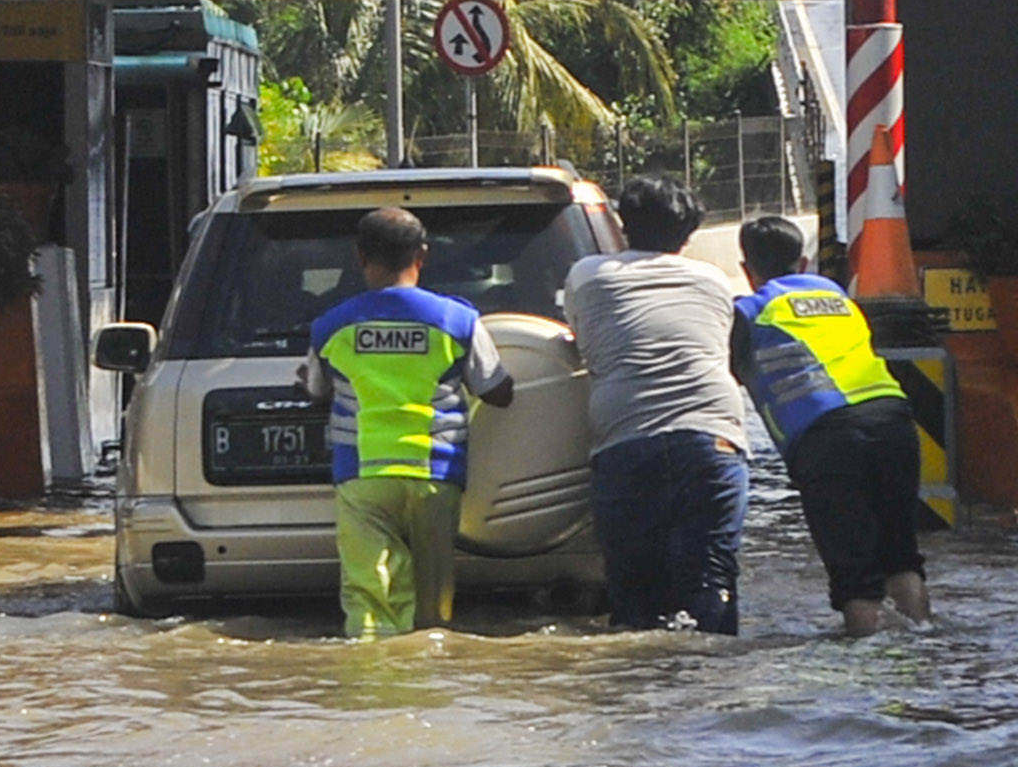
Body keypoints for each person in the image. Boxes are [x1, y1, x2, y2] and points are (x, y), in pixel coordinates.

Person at [298, 205, 514, 641]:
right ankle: (428, 666)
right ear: (422, 255)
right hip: (435, 474)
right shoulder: (456, 321)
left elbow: (316, 390)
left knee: (370, 592)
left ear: (360, 257)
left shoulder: (332, 325)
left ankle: (372, 666)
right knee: (433, 598)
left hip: (364, 476)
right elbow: (499, 391)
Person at [560, 176, 755, 634]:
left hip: (626, 441)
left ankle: (646, 673)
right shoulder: (712, 280)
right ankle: (719, 672)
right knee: (711, 580)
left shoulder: (588, 275)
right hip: (714, 440)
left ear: (622, 224)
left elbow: (578, 339)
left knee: (634, 594)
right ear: (689, 232)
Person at [731, 215, 937, 634]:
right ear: (804, 262)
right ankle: (926, 641)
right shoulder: (838, 296)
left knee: (854, 572)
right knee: (901, 555)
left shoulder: (748, 312)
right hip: (894, 419)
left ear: (746, 269)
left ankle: (867, 661)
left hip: (826, 436)